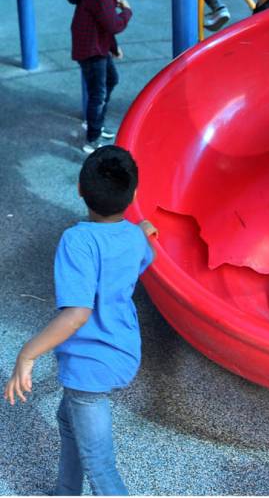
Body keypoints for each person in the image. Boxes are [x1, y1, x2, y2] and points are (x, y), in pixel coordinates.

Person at [4, 146, 157, 496]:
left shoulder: (77, 240)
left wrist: (27, 355)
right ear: (132, 195)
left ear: (79, 189)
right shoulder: (134, 237)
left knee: (101, 468)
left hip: (92, 364)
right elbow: (139, 258)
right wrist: (142, 231)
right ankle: (65, 491)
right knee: (66, 419)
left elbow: (77, 313)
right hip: (122, 349)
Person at [67, 0, 132, 154]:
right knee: (98, 93)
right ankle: (92, 140)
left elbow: (102, 25)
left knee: (110, 80)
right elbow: (113, 25)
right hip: (92, 51)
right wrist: (127, 12)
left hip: (95, 48)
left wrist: (113, 47)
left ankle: (96, 123)